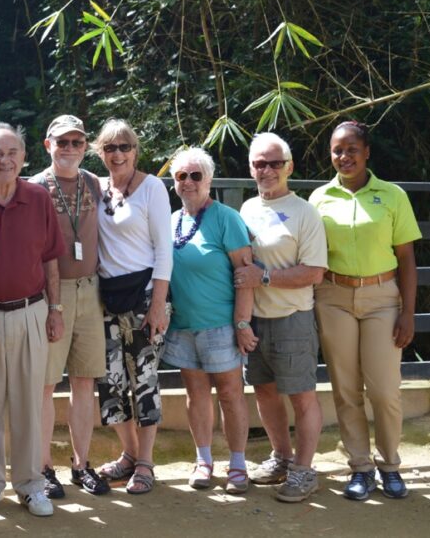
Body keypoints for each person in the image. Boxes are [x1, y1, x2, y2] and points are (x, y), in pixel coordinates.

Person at [309, 120, 421, 501]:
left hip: (382, 299)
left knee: (385, 390)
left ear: (367, 151)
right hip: (333, 297)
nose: (344, 156)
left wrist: (408, 312)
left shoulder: (392, 196)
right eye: (337, 150)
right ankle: (360, 468)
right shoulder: (319, 199)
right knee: (345, 389)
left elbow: (406, 258)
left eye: (352, 149)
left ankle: (390, 465)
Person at [0, 122, 66, 517]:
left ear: (23, 158)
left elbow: (50, 258)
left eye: (12, 153)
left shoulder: (39, 198)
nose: (5, 160)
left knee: (27, 402)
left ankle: (31, 484)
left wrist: (55, 311)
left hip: (30, 311)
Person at [234, 133, 327, 502]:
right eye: (260, 163)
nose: (267, 170)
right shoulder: (245, 209)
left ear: (289, 166)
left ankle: (304, 471)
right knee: (265, 392)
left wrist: (266, 277)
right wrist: (242, 319)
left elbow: (314, 272)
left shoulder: (305, 212)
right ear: (251, 168)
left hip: (293, 317)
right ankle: (282, 458)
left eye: (275, 163)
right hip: (255, 319)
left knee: (302, 396)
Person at [165, 147, 255, 495]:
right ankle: (203, 460)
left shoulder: (226, 218)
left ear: (209, 180)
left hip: (222, 325)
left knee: (231, 394)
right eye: (181, 176)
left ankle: (238, 463)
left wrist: (243, 323)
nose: (188, 182)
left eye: (195, 175)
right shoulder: (172, 220)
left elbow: (245, 274)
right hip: (184, 325)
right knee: (196, 393)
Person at [29, 115, 110, 498]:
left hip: (91, 292)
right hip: (50, 297)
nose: (70, 149)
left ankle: (82, 465)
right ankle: (43, 467)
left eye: (78, 142)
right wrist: (50, 304)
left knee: (84, 382)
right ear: (48, 145)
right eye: (63, 142)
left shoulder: (93, 183)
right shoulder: (34, 188)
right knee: (45, 385)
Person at [91, 119, 172, 495]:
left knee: (143, 379)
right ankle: (128, 453)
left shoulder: (152, 187)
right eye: (110, 148)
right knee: (109, 380)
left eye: (124, 147)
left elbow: (164, 250)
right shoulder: (96, 187)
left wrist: (158, 304)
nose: (118, 154)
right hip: (105, 297)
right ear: (100, 153)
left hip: (144, 296)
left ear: (136, 151)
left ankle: (146, 463)